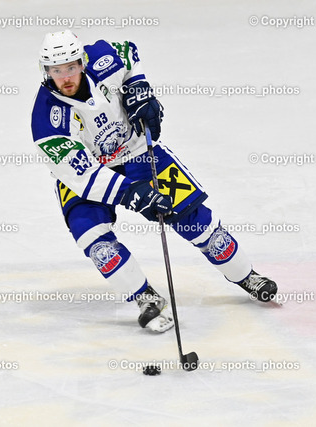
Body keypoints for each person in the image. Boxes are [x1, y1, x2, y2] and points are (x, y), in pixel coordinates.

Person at [31, 30, 277, 333]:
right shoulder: (47, 121)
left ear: (82, 62)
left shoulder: (102, 58)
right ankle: (145, 297)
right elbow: (82, 176)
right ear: (46, 71)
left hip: (137, 151)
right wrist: (132, 193)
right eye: (57, 71)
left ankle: (247, 276)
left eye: (71, 67)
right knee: (95, 241)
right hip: (89, 176)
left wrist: (138, 85)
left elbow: (129, 52)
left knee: (196, 221)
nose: (66, 77)